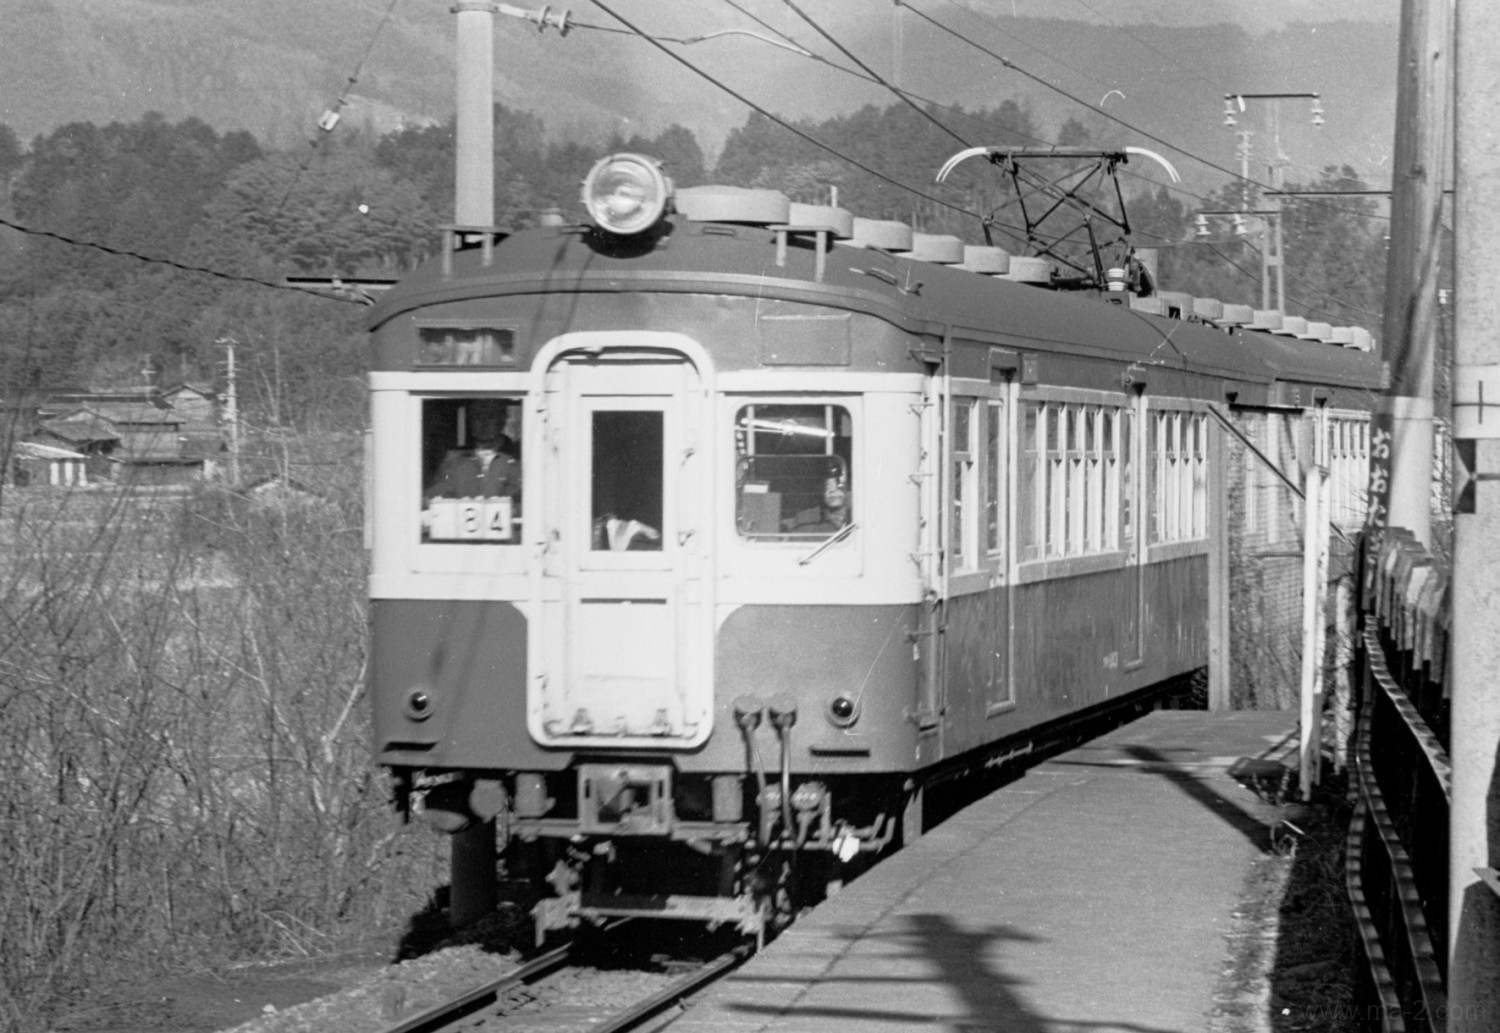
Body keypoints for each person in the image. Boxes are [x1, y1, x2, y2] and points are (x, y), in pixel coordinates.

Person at [426, 399, 522, 501]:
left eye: (490, 417)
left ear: (502, 420)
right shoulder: (454, 459)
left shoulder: (519, 456)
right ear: (470, 421)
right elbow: (436, 496)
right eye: (477, 417)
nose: (483, 423)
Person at [783, 475, 850, 534]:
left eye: (838, 486)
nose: (831, 491)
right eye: (826, 486)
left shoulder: (854, 517)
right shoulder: (805, 520)